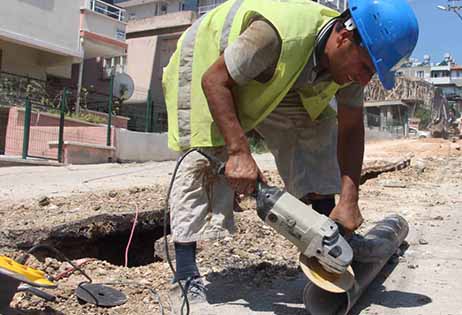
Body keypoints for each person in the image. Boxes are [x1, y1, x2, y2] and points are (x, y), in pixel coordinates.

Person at [162, 0, 419, 309]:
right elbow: (214, 81)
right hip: (205, 64)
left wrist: (350, 200)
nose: (365, 80)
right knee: (204, 157)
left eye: (373, 73)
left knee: (315, 124)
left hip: (263, 74)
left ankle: (332, 236)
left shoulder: (349, 64)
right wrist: (239, 151)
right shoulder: (276, 35)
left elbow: (351, 129)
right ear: (344, 38)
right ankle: (185, 277)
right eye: (366, 67)